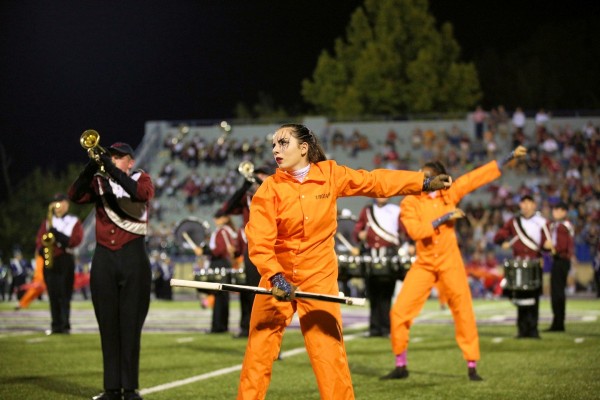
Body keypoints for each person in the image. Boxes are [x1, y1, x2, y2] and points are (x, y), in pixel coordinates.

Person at [237, 123, 452, 400]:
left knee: (328, 353)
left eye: (283, 143)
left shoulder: (330, 175)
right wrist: (276, 277)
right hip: (276, 277)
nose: (276, 150)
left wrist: (421, 182)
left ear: (304, 148)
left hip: (318, 277)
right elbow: (259, 240)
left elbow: (375, 182)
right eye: (274, 145)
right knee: (259, 351)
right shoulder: (269, 189)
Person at [383, 145, 527, 382]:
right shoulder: (410, 201)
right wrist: (444, 218)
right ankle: (401, 364)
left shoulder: (448, 193)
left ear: (441, 178)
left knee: (464, 312)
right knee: (399, 312)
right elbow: (416, 231)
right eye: (422, 174)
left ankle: (472, 365)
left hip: (450, 262)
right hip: (425, 263)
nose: (424, 178)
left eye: (428, 175)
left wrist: (509, 157)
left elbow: (476, 177)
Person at [68, 141, 154, 400]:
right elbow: (74, 195)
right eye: (111, 157)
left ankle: (130, 388)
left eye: (119, 157)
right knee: (108, 325)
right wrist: (91, 167)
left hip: (133, 256)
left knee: (130, 325)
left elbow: (139, 194)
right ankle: (111, 389)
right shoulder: (99, 182)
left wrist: (110, 168)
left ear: (130, 161)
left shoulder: (141, 177)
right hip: (104, 257)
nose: (113, 160)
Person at [218, 162, 275, 338]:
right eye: (256, 175)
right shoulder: (247, 197)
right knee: (250, 290)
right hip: (251, 249)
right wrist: (244, 187)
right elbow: (226, 209)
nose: (258, 179)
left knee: (270, 293)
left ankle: (271, 335)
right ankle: (248, 328)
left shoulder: (275, 193)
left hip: (271, 248)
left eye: (262, 175)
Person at [493, 194, 548, 339]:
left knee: (534, 297)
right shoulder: (514, 222)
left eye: (529, 203)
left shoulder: (541, 222)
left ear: (534, 205)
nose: (526, 206)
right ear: (520, 205)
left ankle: (533, 330)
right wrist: (503, 242)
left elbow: (545, 244)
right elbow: (498, 236)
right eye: (523, 203)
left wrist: (546, 251)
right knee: (520, 297)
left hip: (535, 263)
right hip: (518, 264)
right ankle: (522, 330)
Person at [35, 193, 83, 334]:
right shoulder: (47, 222)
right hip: (50, 260)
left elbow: (75, 240)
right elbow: (39, 240)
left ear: (67, 204)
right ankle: (55, 324)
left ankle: (64, 324)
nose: (57, 205)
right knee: (53, 294)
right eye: (55, 202)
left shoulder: (73, 221)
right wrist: (42, 250)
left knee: (64, 294)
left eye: (60, 202)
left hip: (65, 259)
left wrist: (57, 235)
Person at [353, 197, 401, 337]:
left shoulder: (395, 210)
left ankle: (386, 328)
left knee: (386, 295)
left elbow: (404, 230)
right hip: (371, 256)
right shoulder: (367, 211)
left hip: (389, 256)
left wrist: (409, 244)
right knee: (373, 294)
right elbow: (357, 230)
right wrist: (359, 235)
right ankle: (374, 328)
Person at [194, 210, 240, 333]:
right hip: (224, 264)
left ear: (225, 218)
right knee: (222, 297)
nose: (215, 220)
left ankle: (218, 327)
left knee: (219, 296)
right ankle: (222, 326)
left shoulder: (222, 231)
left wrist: (204, 252)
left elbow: (218, 251)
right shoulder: (228, 231)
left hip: (219, 264)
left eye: (218, 217)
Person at [543, 201, 574, 332]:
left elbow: (560, 247)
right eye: (554, 210)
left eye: (558, 210)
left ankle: (558, 323)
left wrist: (550, 247)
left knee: (557, 293)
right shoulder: (562, 225)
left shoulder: (562, 227)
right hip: (562, 261)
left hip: (560, 260)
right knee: (558, 292)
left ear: (564, 212)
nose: (554, 212)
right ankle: (558, 322)